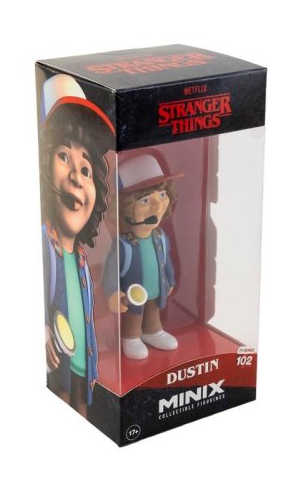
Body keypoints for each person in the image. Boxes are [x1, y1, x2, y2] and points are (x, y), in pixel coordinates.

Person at [39, 74, 114, 417]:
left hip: (85, 366)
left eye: (86, 169)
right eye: (62, 156)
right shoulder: (44, 243)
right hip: (58, 366)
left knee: (84, 414)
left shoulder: (81, 258)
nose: (76, 177)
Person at [102, 151, 184, 359]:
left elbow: (166, 260)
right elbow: (111, 271)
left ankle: (153, 331)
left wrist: (170, 279)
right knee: (134, 315)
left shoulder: (160, 236)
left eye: (162, 195)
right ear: (126, 208)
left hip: (157, 289)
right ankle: (130, 337)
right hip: (132, 295)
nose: (157, 205)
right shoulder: (123, 245)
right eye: (145, 200)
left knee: (153, 311)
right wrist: (113, 293)